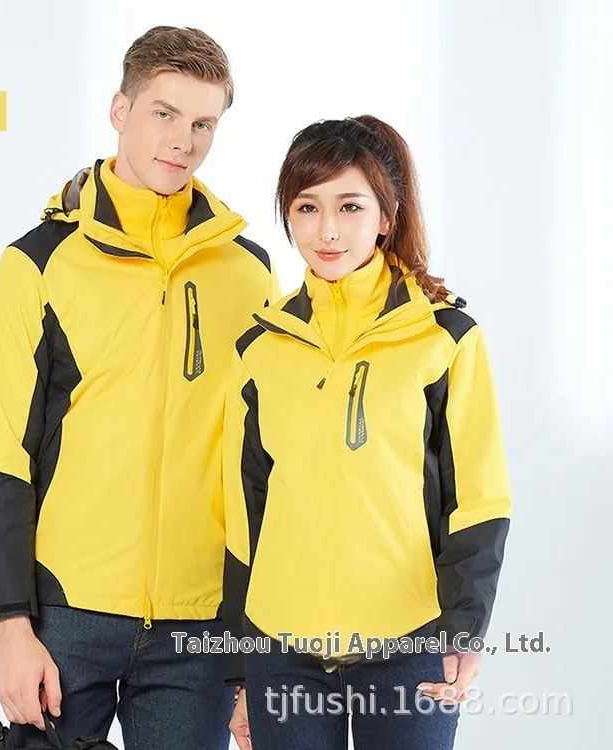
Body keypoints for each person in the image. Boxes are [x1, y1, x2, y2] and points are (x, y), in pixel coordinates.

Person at [0, 25, 279, 749]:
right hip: (64, 611)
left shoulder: (249, 273)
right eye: (164, 114)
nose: (183, 141)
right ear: (120, 109)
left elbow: (261, 464)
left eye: (203, 124)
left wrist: (253, 649)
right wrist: (9, 629)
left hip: (199, 625)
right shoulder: (37, 265)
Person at [222, 115, 511, 749]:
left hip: (409, 641)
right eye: (307, 207)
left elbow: (479, 500)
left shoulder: (444, 337)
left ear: (387, 216)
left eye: (350, 206)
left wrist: (464, 630)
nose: (327, 230)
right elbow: (244, 511)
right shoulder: (260, 348)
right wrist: (240, 669)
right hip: (281, 648)